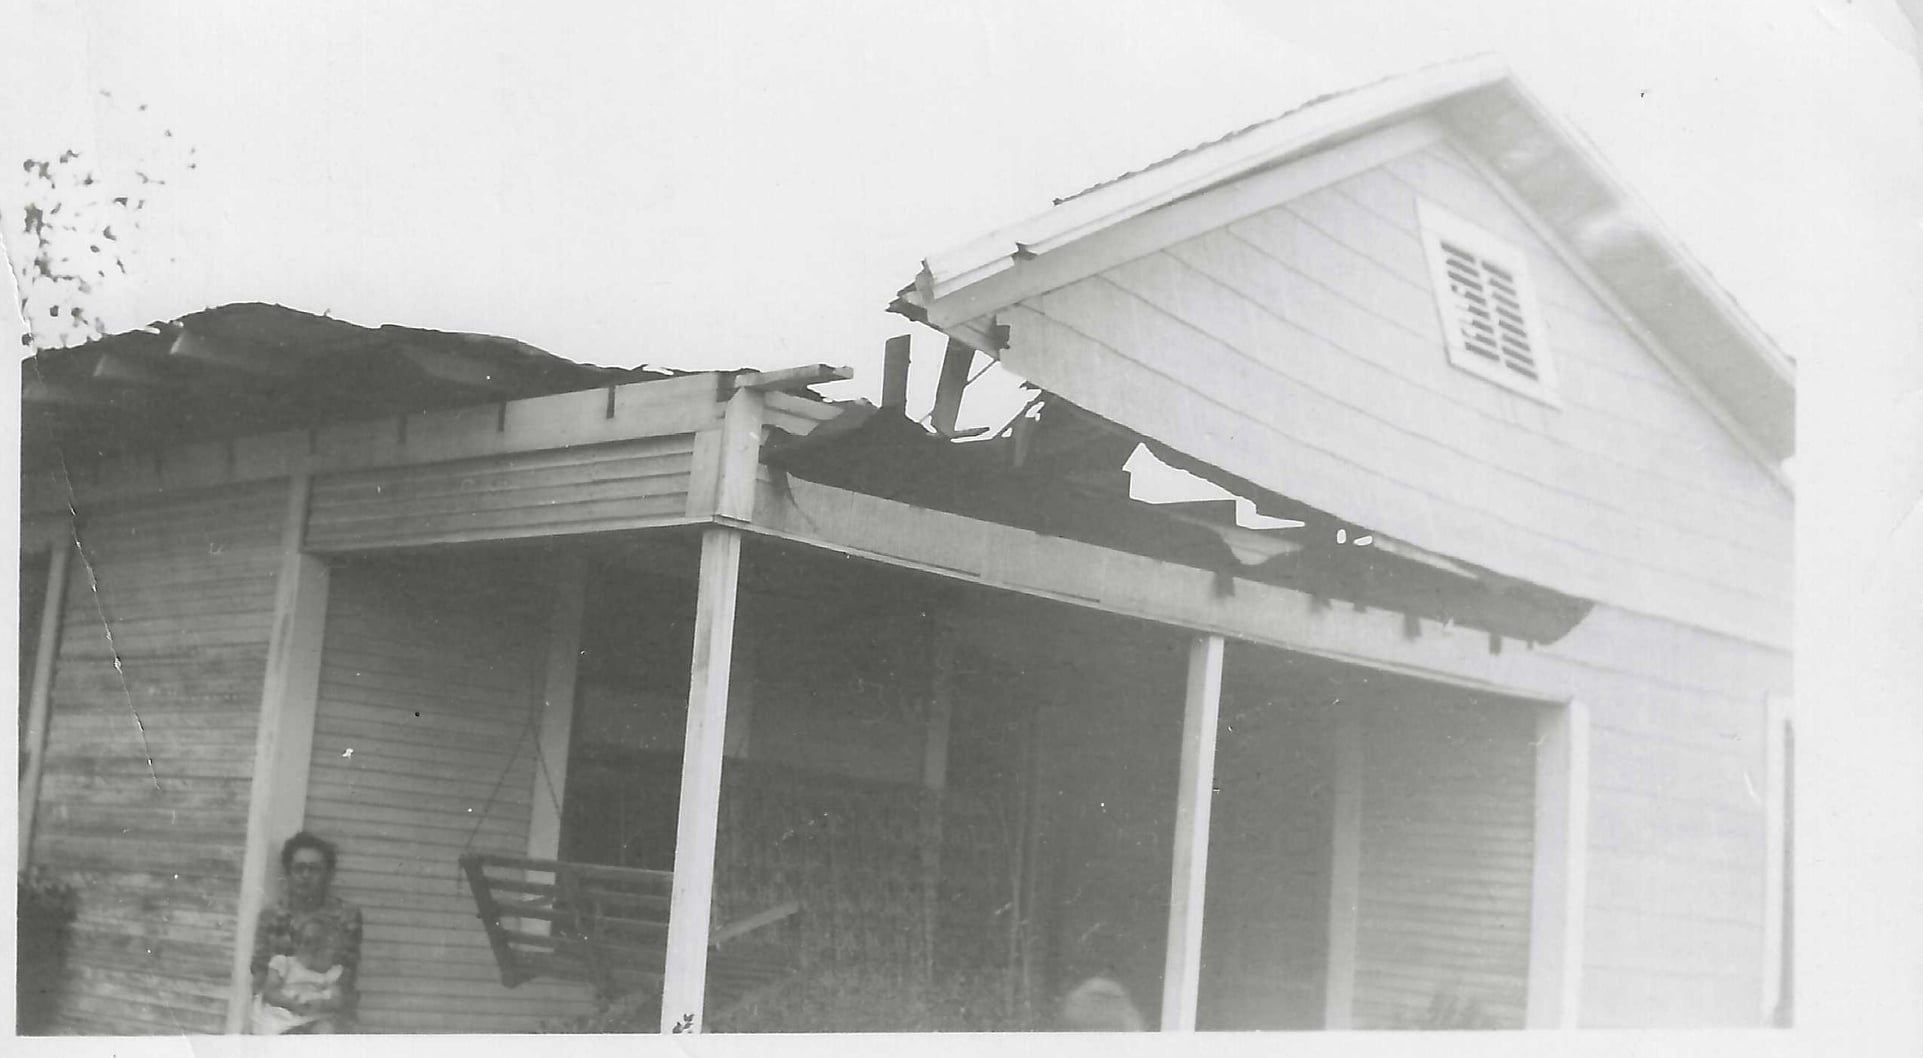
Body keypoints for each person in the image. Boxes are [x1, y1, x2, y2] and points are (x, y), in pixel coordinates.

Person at [249, 831, 363, 1033]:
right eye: (299, 868)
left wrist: (320, 1006)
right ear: (288, 873)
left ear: (329, 874)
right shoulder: (272, 915)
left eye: (314, 869)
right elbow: (259, 973)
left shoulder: (345, 916)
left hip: (325, 1008)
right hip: (278, 1009)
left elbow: (346, 976)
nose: (305, 876)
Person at [251, 919, 348, 1034]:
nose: (313, 950)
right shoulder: (284, 963)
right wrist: (291, 1003)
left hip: (314, 1015)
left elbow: (337, 1000)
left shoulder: (331, 973)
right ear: (297, 945)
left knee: (326, 1028)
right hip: (284, 1012)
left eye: (321, 945)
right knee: (278, 1029)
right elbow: (271, 991)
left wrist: (320, 1004)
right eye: (307, 943)